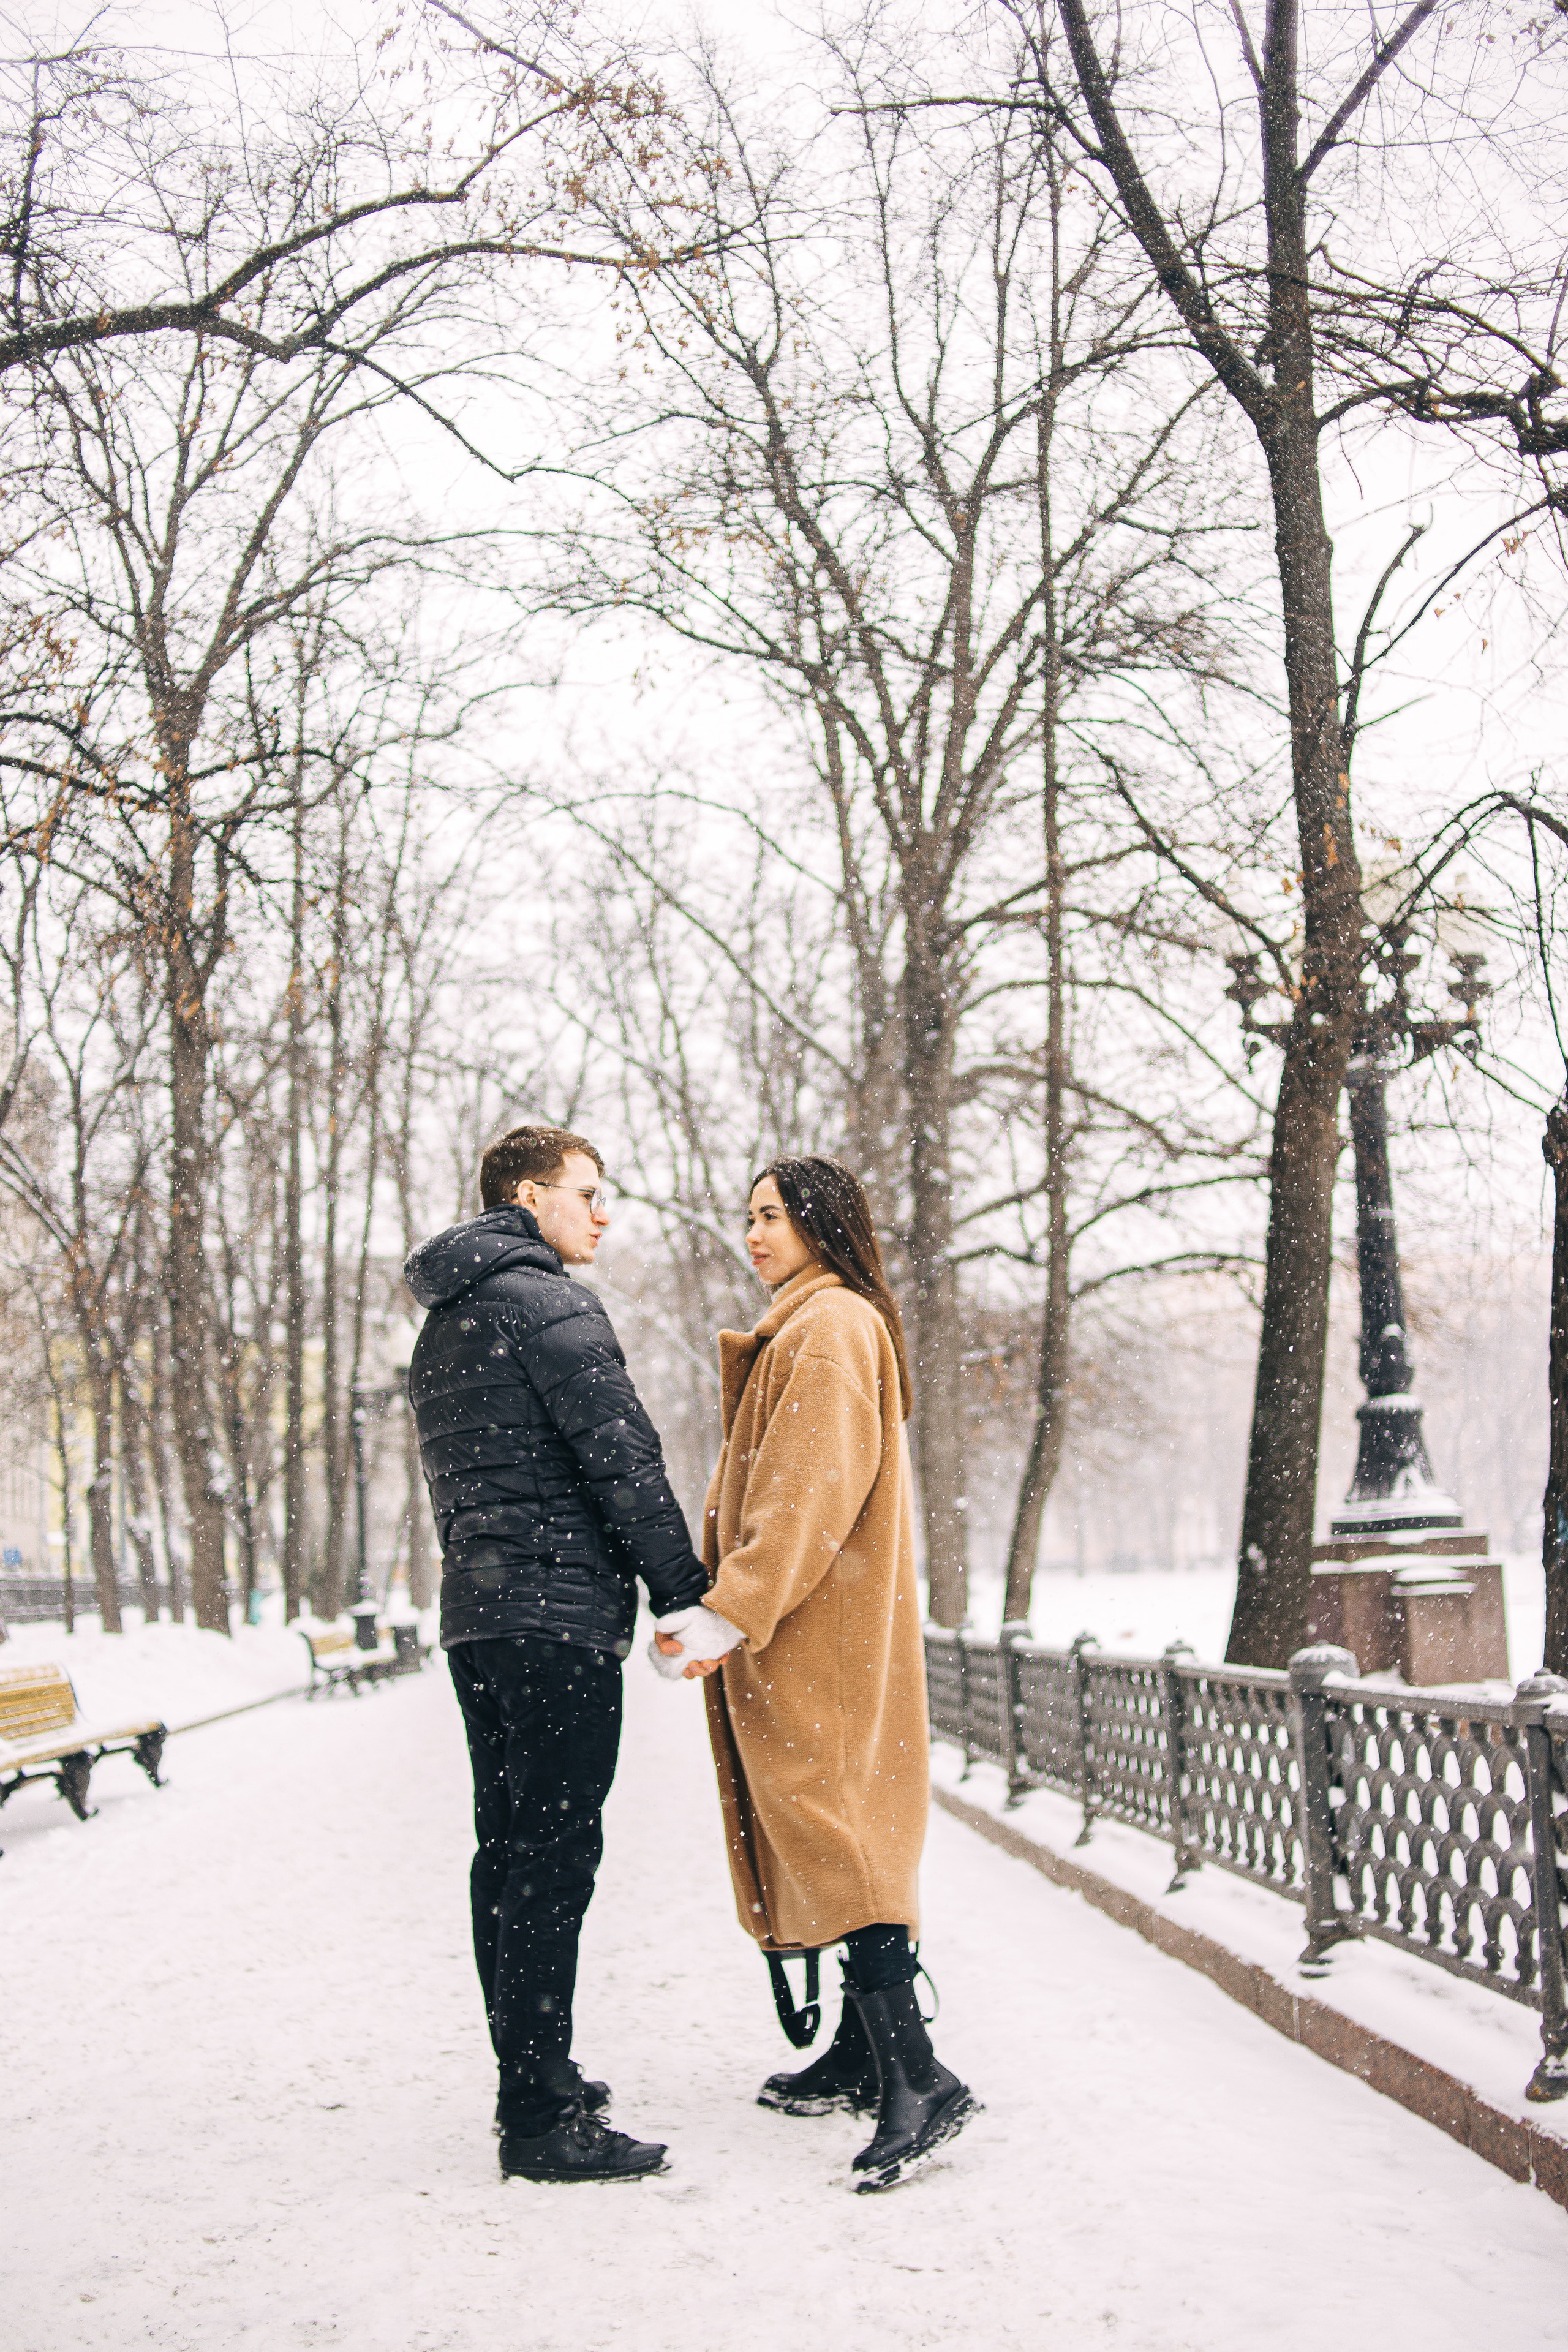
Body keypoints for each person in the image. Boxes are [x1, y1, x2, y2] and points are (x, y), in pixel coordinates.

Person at [653, 1155, 977, 2193]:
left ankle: (918, 2077)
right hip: (813, 1625)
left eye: (774, 1217)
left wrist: (728, 1611)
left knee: (843, 1833)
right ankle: (860, 2050)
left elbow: (803, 1501)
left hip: (813, 1630)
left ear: (822, 1226)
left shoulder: (829, 1328)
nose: (754, 1234)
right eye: (748, 1216)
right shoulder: (817, 1323)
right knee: (830, 1827)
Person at [404, 1123, 708, 2185]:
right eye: (590, 1192)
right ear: (530, 1198)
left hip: (481, 1626)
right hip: (558, 1624)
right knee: (552, 1862)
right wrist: (686, 1596)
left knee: (509, 1856)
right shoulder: (549, 1305)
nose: (604, 1212)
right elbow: (623, 1460)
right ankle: (538, 2116)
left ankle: (534, 2076)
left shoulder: (445, 1321)